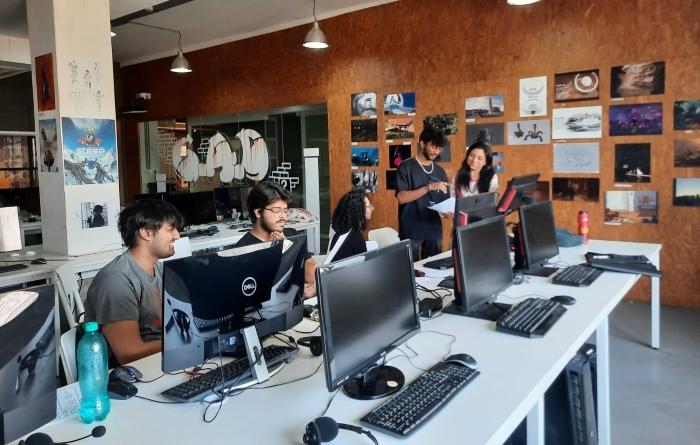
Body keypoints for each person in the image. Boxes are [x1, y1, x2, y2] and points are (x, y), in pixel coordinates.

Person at [84, 199, 183, 366]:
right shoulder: (116, 282)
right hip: (133, 376)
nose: (177, 236)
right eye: (171, 229)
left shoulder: (159, 270)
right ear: (146, 233)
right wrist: (187, 343)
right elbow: (129, 353)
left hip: (163, 362)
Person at [235, 182, 317, 298]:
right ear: (258, 212)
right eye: (276, 211)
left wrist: (290, 248)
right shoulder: (242, 250)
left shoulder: (291, 234)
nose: (283, 216)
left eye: (285, 210)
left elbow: (313, 275)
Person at [396, 126, 450, 261]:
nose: (436, 152)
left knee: (434, 271)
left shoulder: (440, 171)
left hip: (434, 230)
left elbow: (443, 202)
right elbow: (401, 198)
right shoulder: (405, 166)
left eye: (439, 148)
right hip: (411, 230)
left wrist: (447, 212)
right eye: (433, 147)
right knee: (411, 273)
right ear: (422, 143)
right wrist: (428, 187)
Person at [327, 188, 373, 262]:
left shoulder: (342, 232)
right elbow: (364, 265)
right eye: (369, 206)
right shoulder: (355, 236)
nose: (372, 208)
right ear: (359, 209)